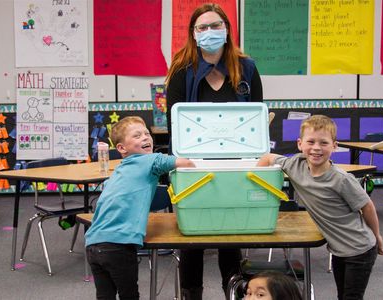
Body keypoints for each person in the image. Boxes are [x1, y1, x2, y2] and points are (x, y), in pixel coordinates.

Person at [165, 3, 263, 299]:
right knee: (192, 237)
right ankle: (191, 294)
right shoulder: (182, 69)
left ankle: (232, 292)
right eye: (202, 27)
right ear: (193, 34)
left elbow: (257, 117)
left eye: (215, 25)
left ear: (227, 30)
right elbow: (174, 122)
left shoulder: (246, 68)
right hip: (192, 166)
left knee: (231, 234)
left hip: (236, 165)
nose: (209, 32)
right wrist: (181, 163)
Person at [257, 115, 383, 300]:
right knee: (342, 295)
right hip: (338, 250)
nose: (316, 148)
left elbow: (367, 206)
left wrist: (377, 235)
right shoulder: (294, 164)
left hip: (360, 249)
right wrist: (259, 185)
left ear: (334, 146)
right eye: (311, 142)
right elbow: (268, 157)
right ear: (300, 144)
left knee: (351, 297)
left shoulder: (341, 179)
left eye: (323, 143)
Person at [85, 116, 194, 299]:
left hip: (93, 244)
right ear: (121, 148)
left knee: (105, 296)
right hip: (118, 245)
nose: (145, 137)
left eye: (146, 133)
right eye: (137, 136)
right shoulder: (150, 160)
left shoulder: (119, 169)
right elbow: (186, 164)